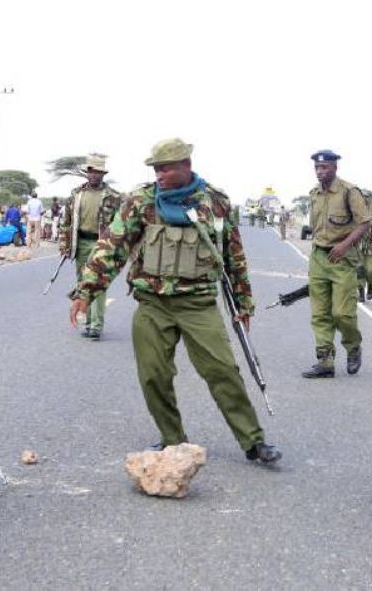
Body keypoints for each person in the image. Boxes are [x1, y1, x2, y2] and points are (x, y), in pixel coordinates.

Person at [68, 138, 280, 464]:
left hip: (198, 304)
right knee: (154, 375)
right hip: (152, 303)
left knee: (223, 371)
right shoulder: (141, 201)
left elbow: (233, 256)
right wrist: (86, 291)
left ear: (186, 167)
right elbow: (112, 247)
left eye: (166, 168)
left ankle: (253, 441)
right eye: (156, 169)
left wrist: (243, 304)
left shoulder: (216, 204)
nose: (160, 175)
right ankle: (172, 439)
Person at [301, 149, 372, 378]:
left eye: (324, 167)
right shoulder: (314, 194)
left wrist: (344, 245)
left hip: (341, 258)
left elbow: (364, 223)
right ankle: (325, 362)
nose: (320, 172)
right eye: (317, 168)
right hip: (319, 258)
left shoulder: (349, 192)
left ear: (335, 167)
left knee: (342, 313)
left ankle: (353, 347)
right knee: (320, 313)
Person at [59, 154, 122, 340]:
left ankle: (96, 325)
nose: (96, 175)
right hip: (81, 243)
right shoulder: (76, 194)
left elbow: (120, 225)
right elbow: (66, 222)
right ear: (88, 172)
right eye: (93, 171)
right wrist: (65, 245)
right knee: (83, 284)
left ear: (103, 174)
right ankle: (87, 322)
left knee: (98, 284)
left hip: (102, 244)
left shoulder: (113, 196)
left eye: (99, 172)